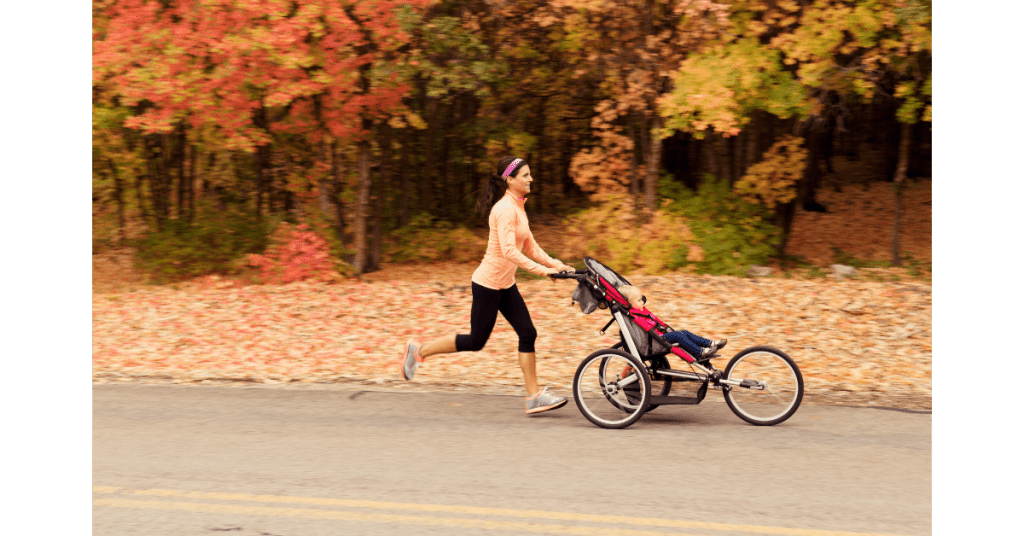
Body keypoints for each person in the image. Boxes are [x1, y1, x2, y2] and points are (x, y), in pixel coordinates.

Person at [401, 156, 575, 415]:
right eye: (525, 175)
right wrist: (543, 271)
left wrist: (556, 264)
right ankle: (418, 351)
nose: (531, 179)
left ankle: (534, 396)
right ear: (510, 179)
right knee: (476, 340)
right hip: (487, 285)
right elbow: (508, 251)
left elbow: (529, 246)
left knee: (528, 332)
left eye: (530, 174)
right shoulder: (504, 210)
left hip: (506, 284)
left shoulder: (518, 206)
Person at [618, 285, 727, 360]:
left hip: (658, 336)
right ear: (629, 303)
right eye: (639, 300)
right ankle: (700, 352)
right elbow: (648, 329)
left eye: (642, 299)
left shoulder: (640, 312)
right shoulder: (634, 316)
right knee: (678, 335)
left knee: (685, 332)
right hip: (655, 341)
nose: (643, 302)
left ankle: (710, 343)